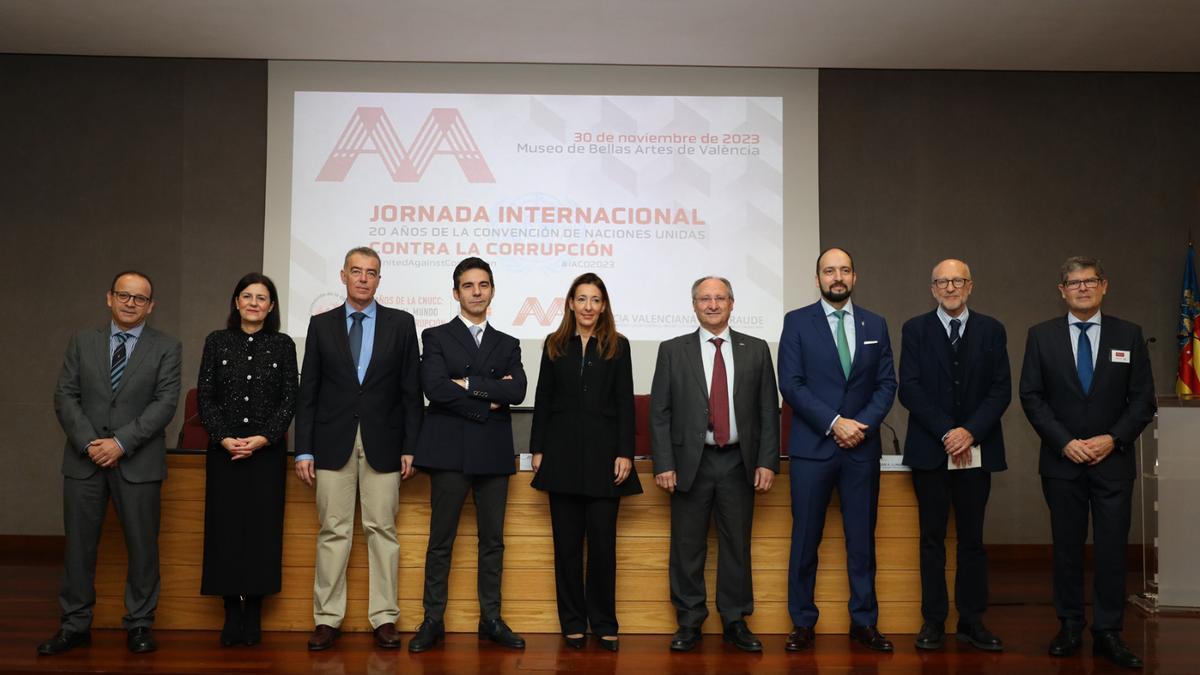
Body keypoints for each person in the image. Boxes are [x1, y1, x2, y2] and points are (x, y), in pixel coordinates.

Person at [1019, 256, 1155, 669]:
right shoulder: (1041, 336)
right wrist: (1065, 443)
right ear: (1061, 290)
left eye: (1090, 281)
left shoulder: (1128, 335)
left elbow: (1143, 400)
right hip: (1063, 464)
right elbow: (1032, 396)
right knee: (1066, 548)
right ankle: (1070, 625)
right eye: (1073, 283)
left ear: (1104, 286)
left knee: (1113, 550)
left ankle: (1109, 632)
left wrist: (1111, 439)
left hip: (1113, 462)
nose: (1082, 288)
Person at [39, 271, 182, 656]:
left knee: (143, 548)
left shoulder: (167, 347)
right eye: (124, 295)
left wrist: (120, 443)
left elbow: (165, 404)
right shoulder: (83, 342)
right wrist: (90, 443)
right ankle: (75, 625)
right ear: (109, 298)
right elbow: (65, 396)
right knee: (79, 549)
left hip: (137, 462)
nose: (131, 303)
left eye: (140, 298)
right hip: (84, 462)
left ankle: (139, 624)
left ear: (151, 305)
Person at [293, 247, 423, 651]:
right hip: (332, 445)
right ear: (343, 276)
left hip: (385, 444)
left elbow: (410, 392)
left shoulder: (402, 324)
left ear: (379, 280)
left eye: (371, 272)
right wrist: (303, 450)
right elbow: (308, 392)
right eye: (356, 271)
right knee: (334, 531)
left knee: (382, 531)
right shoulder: (321, 325)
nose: (364, 278)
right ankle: (327, 619)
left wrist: (410, 447)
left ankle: (385, 618)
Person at [650, 276, 780, 653]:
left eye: (719, 298)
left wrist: (768, 461)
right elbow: (660, 412)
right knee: (687, 546)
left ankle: (735, 620)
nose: (712, 304)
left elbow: (767, 412)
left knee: (736, 544)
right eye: (704, 299)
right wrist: (664, 462)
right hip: (691, 462)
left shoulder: (755, 349)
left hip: (739, 462)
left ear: (732, 303)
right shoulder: (673, 350)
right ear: (694, 305)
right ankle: (689, 621)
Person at [777, 247, 897, 653]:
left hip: (861, 449)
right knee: (805, 539)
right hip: (813, 448)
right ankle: (802, 622)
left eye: (844, 270)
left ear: (854, 276)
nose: (837, 277)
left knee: (861, 540)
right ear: (817, 279)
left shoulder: (875, 323)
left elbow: (886, 385)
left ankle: (864, 622)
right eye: (829, 271)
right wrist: (834, 423)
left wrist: (859, 425)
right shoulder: (796, 322)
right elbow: (791, 384)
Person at [409, 258, 528, 652]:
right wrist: (487, 396)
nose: (476, 292)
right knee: (440, 541)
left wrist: (468, 383)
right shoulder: (437, 336)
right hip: (449, 452)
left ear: (492, 290)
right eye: (468, 285)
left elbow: (517, 393)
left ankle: (491, 619)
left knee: (492, 541)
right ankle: (432, 620)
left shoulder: (508, 343)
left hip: (493, 453)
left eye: (483, 285)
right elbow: (435, 389)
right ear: (455, 292)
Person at [898, 259, 1010, 652]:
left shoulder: (992, 330)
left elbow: (1001, 390)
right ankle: (933, 620)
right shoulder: (914, 330)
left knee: (972, 540)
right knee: (930, 538)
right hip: (931, 450)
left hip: (977, 450)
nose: (950, 287)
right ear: (932, 289)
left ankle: (972, 620)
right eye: (942, 282)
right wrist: (948, 431)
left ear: (970, 285)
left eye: (957, 280)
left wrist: (970, 432)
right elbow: (908, 388)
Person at [530, 273, 643, 651]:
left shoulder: (618, 346)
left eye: (595, 300)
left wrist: (625, 452)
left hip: (604, 460)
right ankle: (573, 623)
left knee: (602, 548)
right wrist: (537, 449)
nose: (588, 307)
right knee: (565, 548)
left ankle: (605, 622)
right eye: (582, 299)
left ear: (604, 305)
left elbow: (625, 403)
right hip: (560, 457)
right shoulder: (554, 344)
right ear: (571, 304)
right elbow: (543, 400)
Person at [197, 273, 298, 647]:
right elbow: (205, 396)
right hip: (223, 452)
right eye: (247, 296)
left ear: (271, 306)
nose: (254, 302)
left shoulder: (283, 345)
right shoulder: (217, 342)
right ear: (236, 302)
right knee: (224, 530)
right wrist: (223, 438)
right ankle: (230, 611)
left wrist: (264, 438)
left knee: (261, 532)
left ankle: (253, 611)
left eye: (262, 298)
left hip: (266, 454)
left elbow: (290, 398)